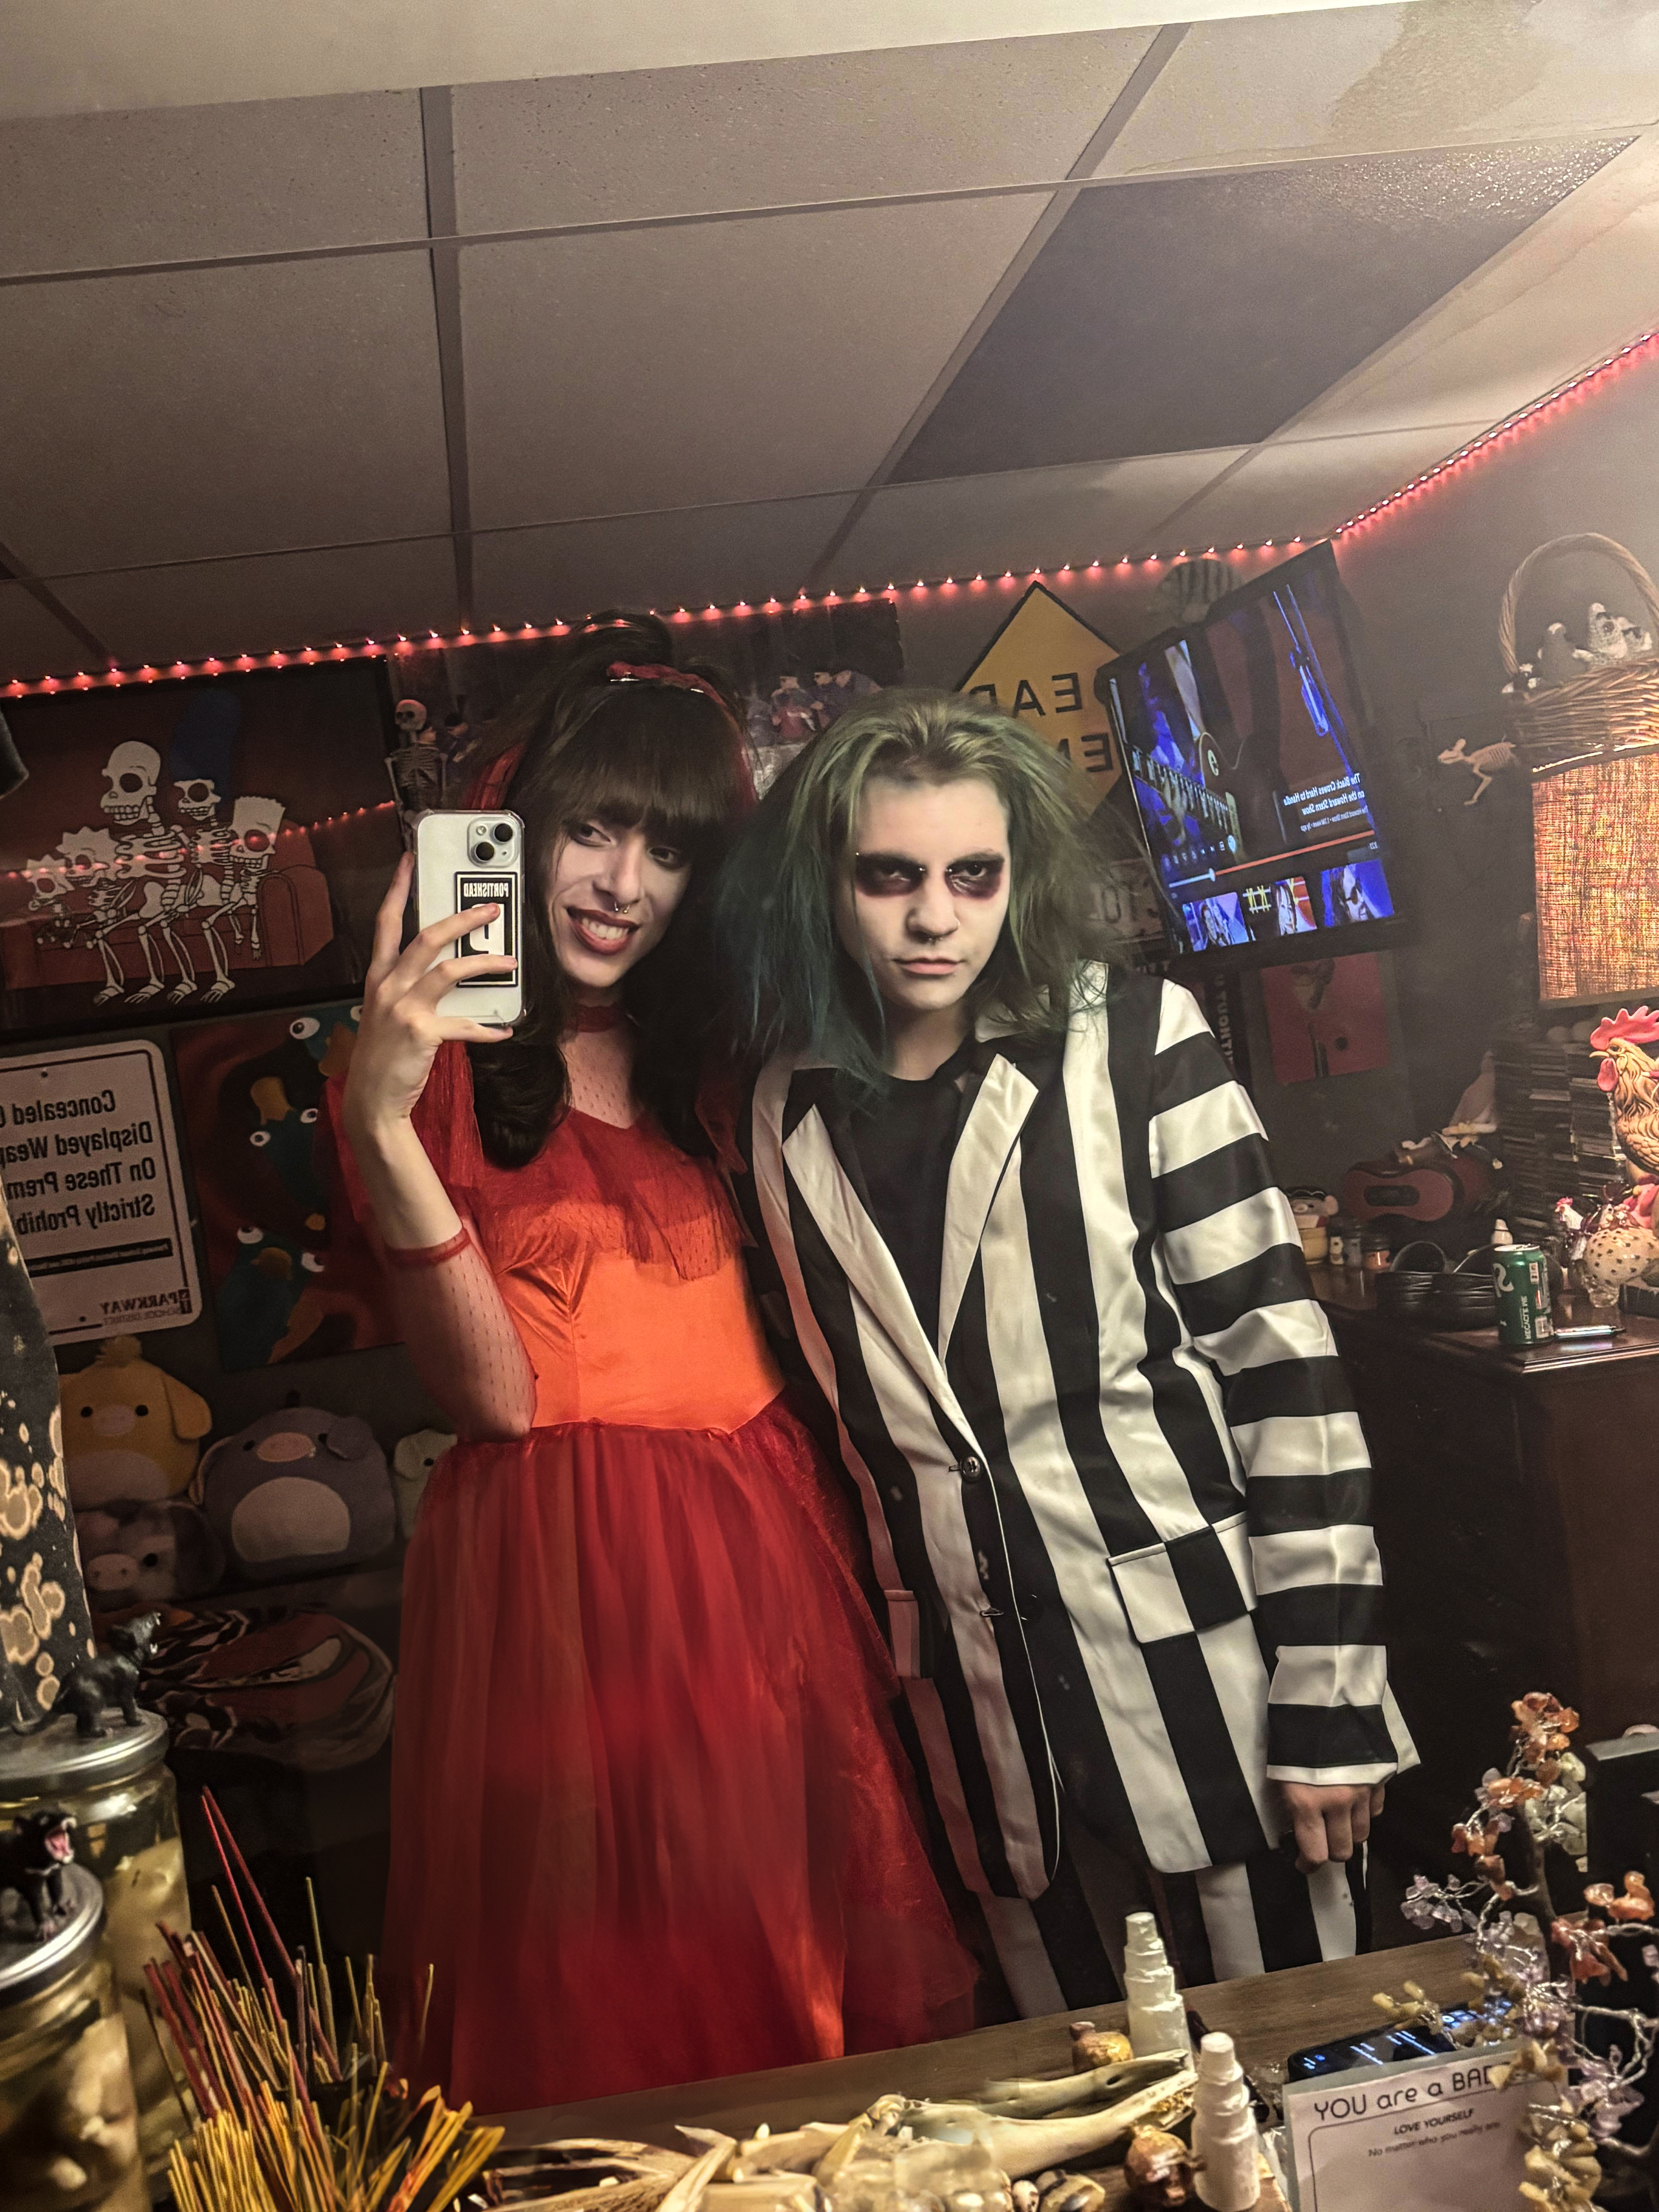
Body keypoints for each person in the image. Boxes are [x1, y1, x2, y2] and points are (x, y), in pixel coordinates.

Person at [335, 622, 974, 2111]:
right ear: (516, 829)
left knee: (798, 1975)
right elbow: (495, 1402)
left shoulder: (716, 1059)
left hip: (769, 1568)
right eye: (592, 829)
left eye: (671, 850)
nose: (623, 885)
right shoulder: (425, 1067)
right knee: (614, 2006)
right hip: (569, 1597)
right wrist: (374, 1118)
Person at [714, 688, 1415, 2015]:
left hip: (1210, 1683)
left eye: (972, 875)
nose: (935, 917)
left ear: (1016, 876)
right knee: (1076, 2084)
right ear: (825, 887)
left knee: (1304, 2068)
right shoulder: (774, 1105)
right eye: (889, 876)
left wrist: (1330, 1699)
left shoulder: (1136, 1039)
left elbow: (1285, 1377)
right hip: (974, 1720)